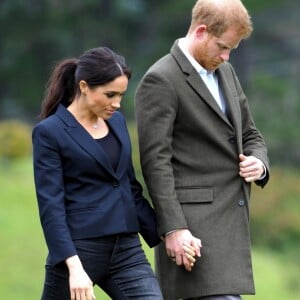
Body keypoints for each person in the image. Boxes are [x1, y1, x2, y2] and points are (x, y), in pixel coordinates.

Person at [135, 0, 270, 299]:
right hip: (193, 233)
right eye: (222, 46)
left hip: (231, 226)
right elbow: (155, 162)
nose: (226, 55)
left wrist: (259, 163)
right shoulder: (160, 79)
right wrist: (173, 229)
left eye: (232, 49)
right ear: (201, 31)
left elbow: (251, 134)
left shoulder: (227, 72)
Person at [32, 46, 168, 300]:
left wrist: (167, 232)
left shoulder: (116, 122)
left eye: (121, 95)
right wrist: (73, 267)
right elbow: (51, 207)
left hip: (127, 249)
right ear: (84, 86)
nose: (116, 104)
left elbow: (130, 187)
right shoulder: (49, 132)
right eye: (110, 95)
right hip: (80, 250)